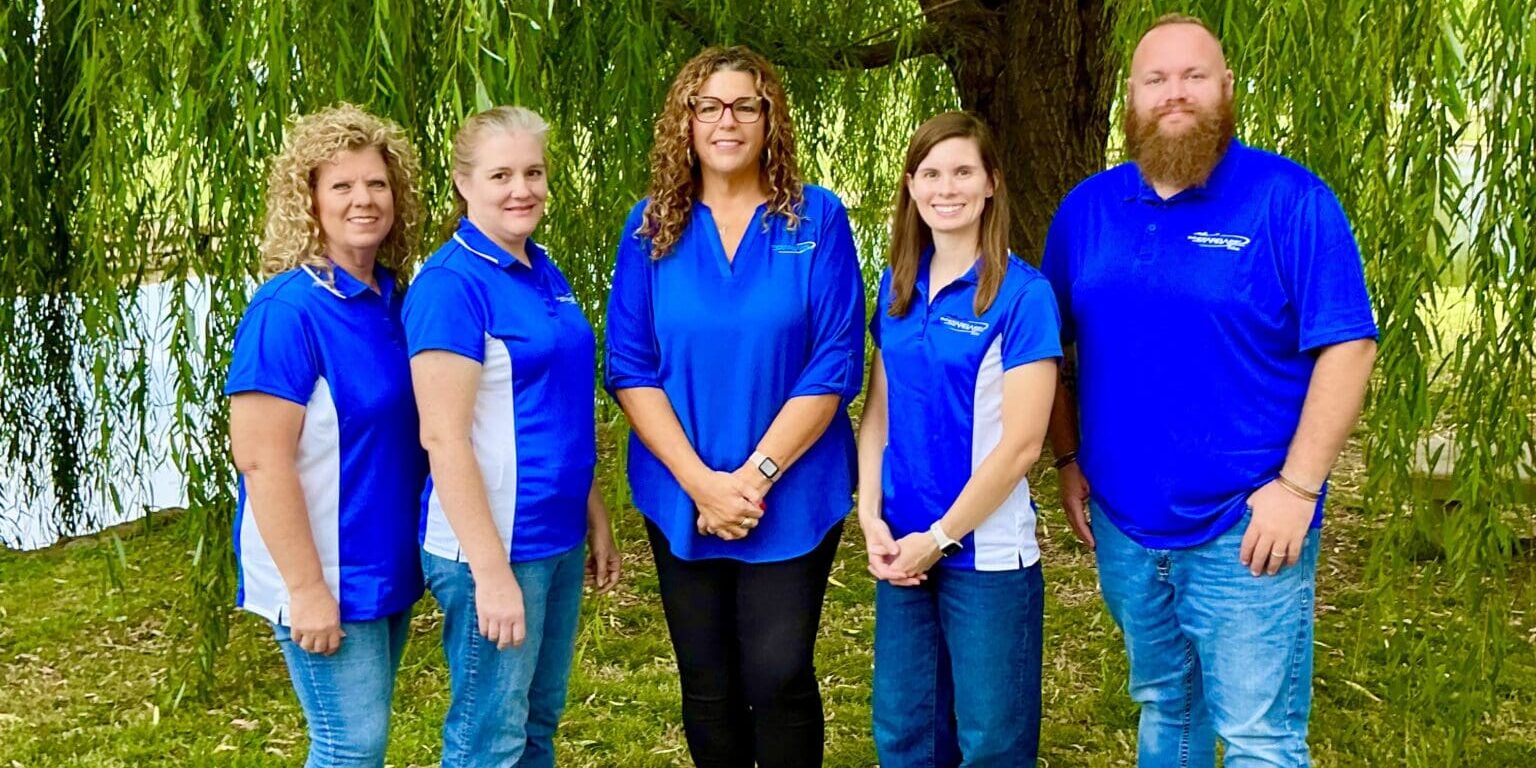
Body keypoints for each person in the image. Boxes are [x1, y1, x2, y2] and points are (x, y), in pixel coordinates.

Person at [1041, 14, 1378, 767]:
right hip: (1126, 528)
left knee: (1261, 738)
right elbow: (1042, 349)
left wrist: (1297, 488)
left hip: (1248, 527)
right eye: (1156, 79)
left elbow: (1349, 347)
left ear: (1226, 88)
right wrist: (1067, 460)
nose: (1175, 94)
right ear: (1131, 96)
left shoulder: (1289, 200)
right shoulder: (1087, 212)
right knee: (1169, 708)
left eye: (1194, 76)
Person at [603, 45, 865, 768]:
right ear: (684, 122)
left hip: (791, 487)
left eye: (745, 105)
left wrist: (753, 478)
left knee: (777, 673)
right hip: (682, 485)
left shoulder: (817, 219)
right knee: (709, 683)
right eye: (709, 106)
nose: (727, 120)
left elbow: (835, 357)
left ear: (769, 119)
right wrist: (701, 484)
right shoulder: (649, 225)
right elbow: (628, 364)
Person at [403, 105, 622, 768]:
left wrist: (593, 512)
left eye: (533, 172)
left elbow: (556, 403)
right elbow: (442, 439)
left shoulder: (539, 267)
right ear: (464, 183)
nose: (521, 189)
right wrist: (492, 573)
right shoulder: (451, 285)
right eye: (501, 174)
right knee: (487, 740)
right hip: (492, 549)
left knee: (535, 726)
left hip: (554, 537)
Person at [226, 103, 427, 768]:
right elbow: (260, 459)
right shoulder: (287, 310)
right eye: (341, 186)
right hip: (324, 567)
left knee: (360, 740)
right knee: (350, 746)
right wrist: (306, 590)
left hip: (387, 556)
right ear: (308, 200)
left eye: (376, 183)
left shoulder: (397, 299)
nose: (363, 200)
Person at [857, 111, 1060, 768]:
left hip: (985, 559)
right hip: (903, 553)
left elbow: (1023, 445)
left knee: (990, 747)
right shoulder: (897, 285)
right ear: (912, 187)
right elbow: (879, 413)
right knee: (905, 736)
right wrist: (870, 517)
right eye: (932, 173)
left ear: (992, 183)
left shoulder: (1023, 297)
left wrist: (940, 538)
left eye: (963, 171)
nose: (947, 188)